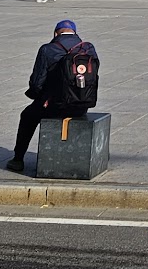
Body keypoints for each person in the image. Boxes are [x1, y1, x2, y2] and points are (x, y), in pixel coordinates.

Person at [7, 20, 99, 172]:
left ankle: (18, 159)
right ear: (75, 33)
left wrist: (37, 96)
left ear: (56, 33)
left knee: (28, 116)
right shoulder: (88, 48)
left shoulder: (47, 49)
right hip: (81, 105)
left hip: (54, 106)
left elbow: (36, 83)